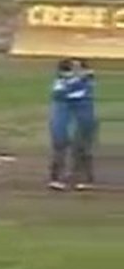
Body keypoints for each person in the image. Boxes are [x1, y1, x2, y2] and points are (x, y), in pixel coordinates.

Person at [49, 58, 97, 190]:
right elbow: (61, 92)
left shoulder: (87, 80)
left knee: (83, 140)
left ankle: (83, 176)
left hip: (83, 106)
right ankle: (57, 176)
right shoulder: (61, 82)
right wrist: (75, 78)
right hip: (63, 106)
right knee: (60, 138)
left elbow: (85, 85)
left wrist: (80, 77)